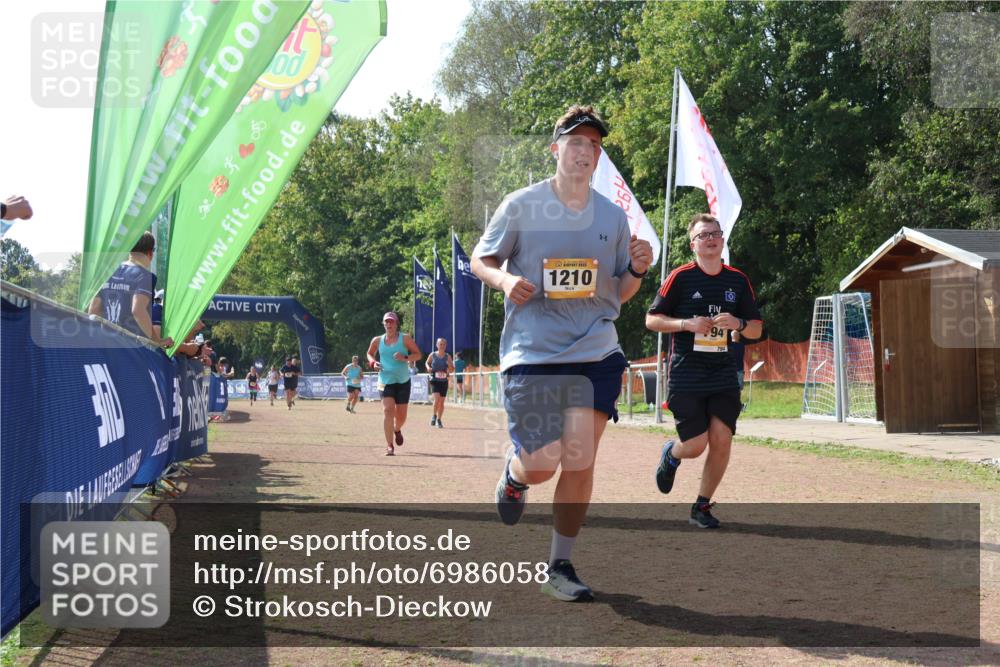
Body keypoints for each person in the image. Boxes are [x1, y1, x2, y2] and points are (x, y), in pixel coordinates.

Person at [471, 104, 652, 602]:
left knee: (580, 457)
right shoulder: (522, 205)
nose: (585, 151)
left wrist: (636, 269)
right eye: (576, 142)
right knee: (544, 460)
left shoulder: (612, 217)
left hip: (596, 349)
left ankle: (560, 563)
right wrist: (505, 278)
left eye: (594, 145)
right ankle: (514, 475)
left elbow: (618, 293)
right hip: (533, 352)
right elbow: (480, 258)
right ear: (556, 149)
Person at [645, 213, 763, 529]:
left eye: (715, 233)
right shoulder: (680, 278)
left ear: (722, 240)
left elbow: (755, 328)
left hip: (724, 372)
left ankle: (702, 506)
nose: (710, 239)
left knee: (722, 438)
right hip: (687, 373)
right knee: (696, 445)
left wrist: (738, 323)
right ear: (693, 244)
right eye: (703, 235)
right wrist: (686, 324)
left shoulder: (737, 280)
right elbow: (652, 319)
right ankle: (672, 453)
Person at [87, 231, 173, 349]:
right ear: (150, 253)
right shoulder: (146, 276)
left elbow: (94, 310)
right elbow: (138, 310)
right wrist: (156, 340)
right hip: (132, 348)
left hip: (106, 345)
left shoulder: (107, 273)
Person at [366, 311, 421, 456]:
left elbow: (418, 354)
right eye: (386, 322)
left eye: (391, 322)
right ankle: (389, 445)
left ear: (397, 324)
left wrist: (404, 357)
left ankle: (397, 429)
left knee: (401, 417)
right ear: (383, 324)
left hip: (403, 381)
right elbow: (369, 353)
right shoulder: (377, 340)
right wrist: (373, 363)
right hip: (385, 381)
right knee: (388, 410)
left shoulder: (405, 339)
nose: (389, 324)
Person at [426, 338, 454, 428]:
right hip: (435, 380)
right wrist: (428, 368)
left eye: (443, 344)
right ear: (437, 345)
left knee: (441, 402)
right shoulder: (433, 355)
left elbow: (452, 370)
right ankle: (434, 416)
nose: (442, 346)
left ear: (445, 346)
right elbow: (427, 362)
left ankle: (439, 419)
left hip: (444, 381)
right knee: (437, 399)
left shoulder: (448, 356)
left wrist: (449, 365)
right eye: (440, 344)